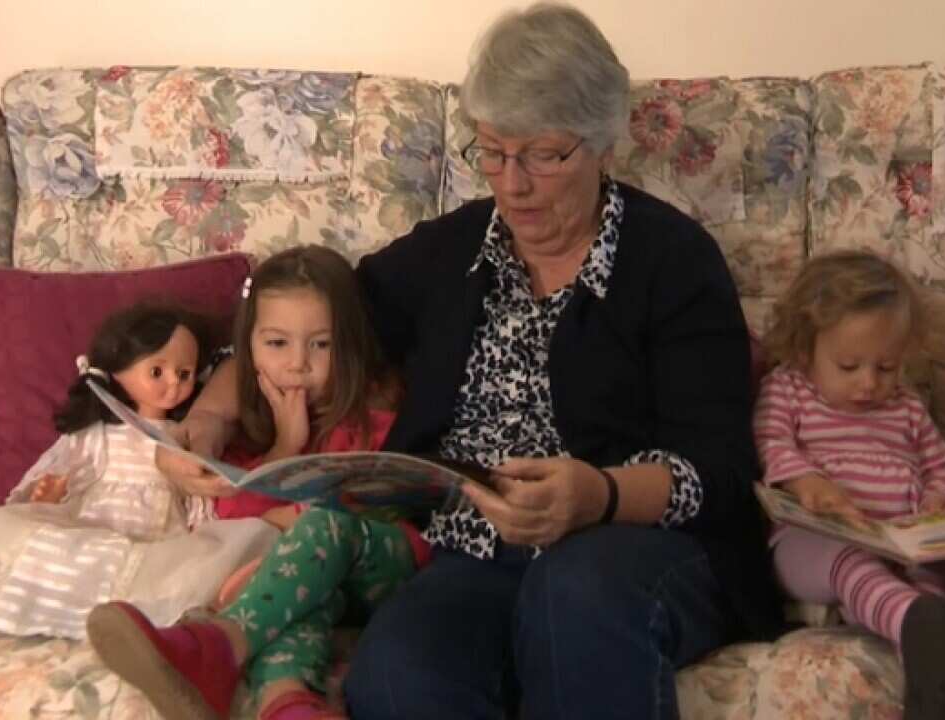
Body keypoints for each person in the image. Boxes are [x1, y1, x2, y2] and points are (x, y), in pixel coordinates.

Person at [113, 4, 778, 719]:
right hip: (472, 551)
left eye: (542, 155)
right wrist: (211, 418)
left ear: (601, 144)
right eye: (492, 151)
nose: (511, 184)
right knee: (396, 675)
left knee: (576, 597)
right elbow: (313, 317)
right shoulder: (452, 251)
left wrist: (600, 495)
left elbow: (719, 468)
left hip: (633, 546)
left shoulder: (673, 260)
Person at [88, 246, 429, 720]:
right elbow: (237, 519)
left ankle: (216, 646)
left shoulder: (375, 410)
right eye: (277, 343)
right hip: (310, 581)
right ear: (248, 346)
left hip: (383, 563)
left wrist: (308, 511)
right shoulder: (253, 423)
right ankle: (287, 703)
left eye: (321, 345)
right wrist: (286, 445)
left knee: (321, 526)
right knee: (291, 593)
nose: (298, 364)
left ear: (351, 343)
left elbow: (401, 493)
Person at [754, 250, 945, 717]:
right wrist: (804, 479)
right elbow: (769, 441)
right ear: (805, 349)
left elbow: (942, 467)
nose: (869, 383)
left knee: (931, 575)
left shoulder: (907, 407)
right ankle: (922, 624)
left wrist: (940, 498)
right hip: (815, 543)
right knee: (853, 564)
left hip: (903, 545)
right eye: (848, 366)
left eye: (886, 367)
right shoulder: (788, 388)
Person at [0, 303, 278, 638]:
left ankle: (127, 616)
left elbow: (195, 498)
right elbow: (60, 469)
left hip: (157, 539)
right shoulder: (98, 434)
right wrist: (47, 494)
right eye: (157, 371)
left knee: (175, 567)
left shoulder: (184, 436)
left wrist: (202, 518)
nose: (174, 384)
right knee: (50, 543)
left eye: (185, 374)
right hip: (93, 524)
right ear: (117, 368)